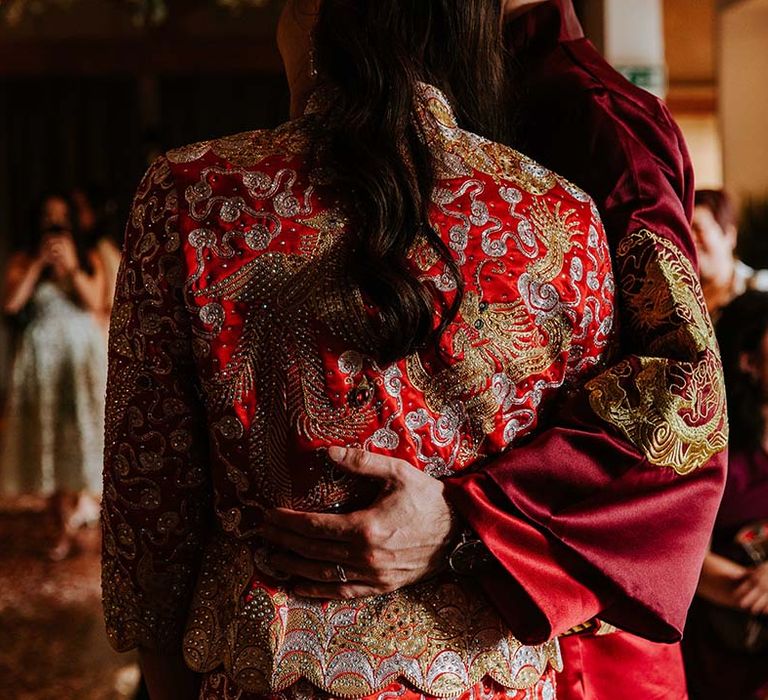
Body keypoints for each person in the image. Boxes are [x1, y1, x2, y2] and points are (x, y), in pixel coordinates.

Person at [102, 2, 727, 700]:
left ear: (314, 14)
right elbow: (685, 420)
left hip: (268, 667)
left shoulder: (192, 195)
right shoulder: (562, 214)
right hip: (493, 674)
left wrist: (474, 520)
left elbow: (149, 505)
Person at [1, 193, 107, 559]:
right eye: (48, 218)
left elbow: (95, 302)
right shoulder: (24, 258)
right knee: (46, 435)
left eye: (62, 218)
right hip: (41, 361)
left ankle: (77, 505)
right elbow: (11, 304)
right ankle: (58, 522)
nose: (54, 225)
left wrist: (71, 267)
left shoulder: (89, 256)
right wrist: (37, 265)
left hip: (80, 361)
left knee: (79, 434)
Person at [683, 290, 768, 700]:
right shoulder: (716, 452)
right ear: (748, 362)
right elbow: (687, 559)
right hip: (720, 653)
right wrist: (756, 586)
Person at [692, 189, 768, 316]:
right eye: (685, 232)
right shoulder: (681, 301)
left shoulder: (761, 287)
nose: (691, 239)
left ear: (730, 235)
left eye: (698, 229)